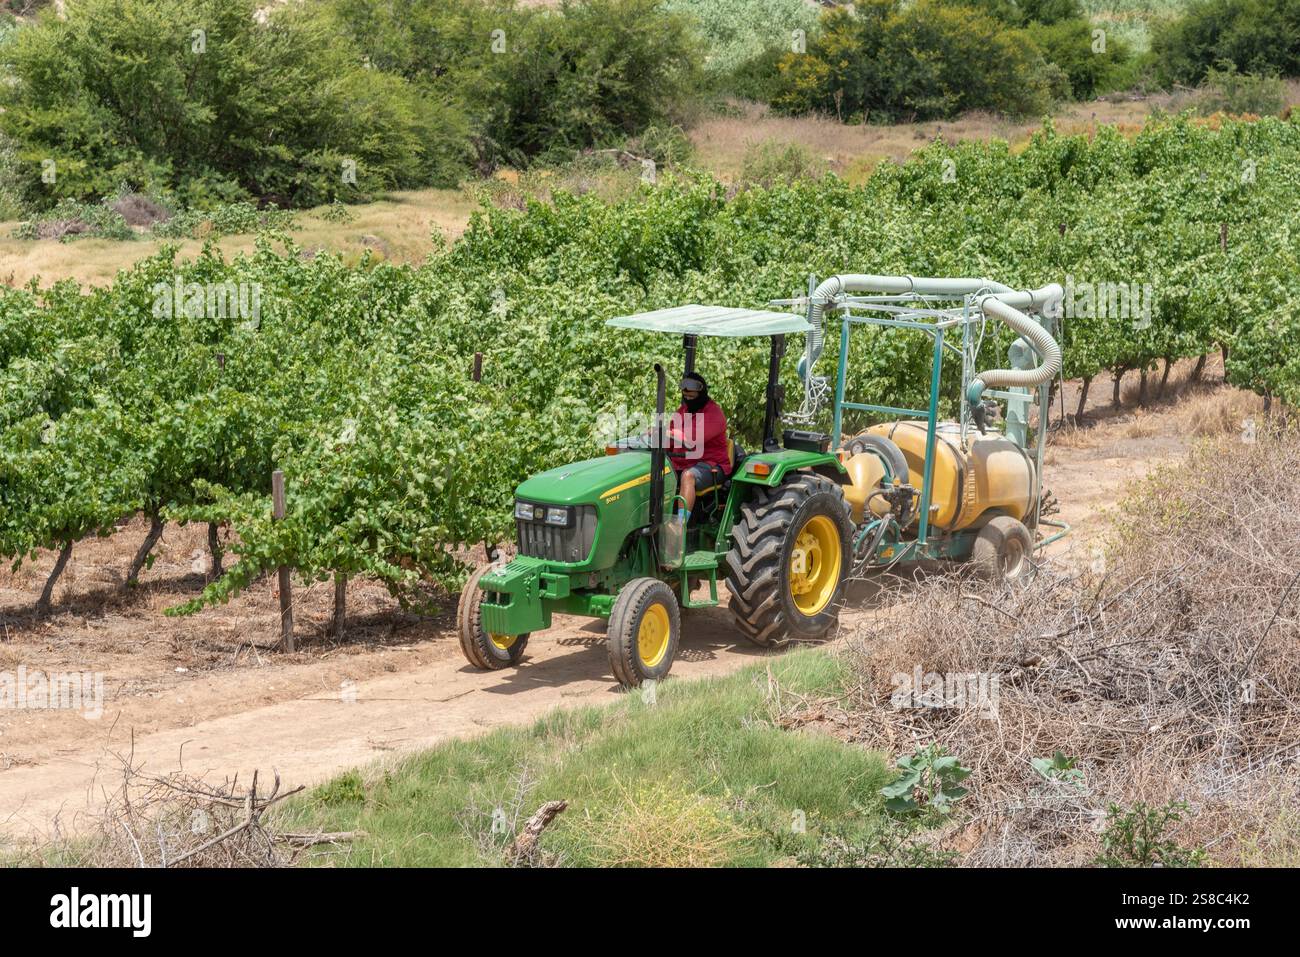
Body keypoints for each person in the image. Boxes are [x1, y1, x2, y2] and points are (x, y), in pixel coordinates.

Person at [666, 372, 730, 524]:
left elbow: (692, 438)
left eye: (692, 393)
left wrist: (667, 432)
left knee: (688, 476)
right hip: (682, 463)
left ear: (701, 391)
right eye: (685, 393)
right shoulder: (681, 412)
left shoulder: (714, 413)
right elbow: (668, 441)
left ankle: (680, 526)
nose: (688, 397)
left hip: (712, 465)